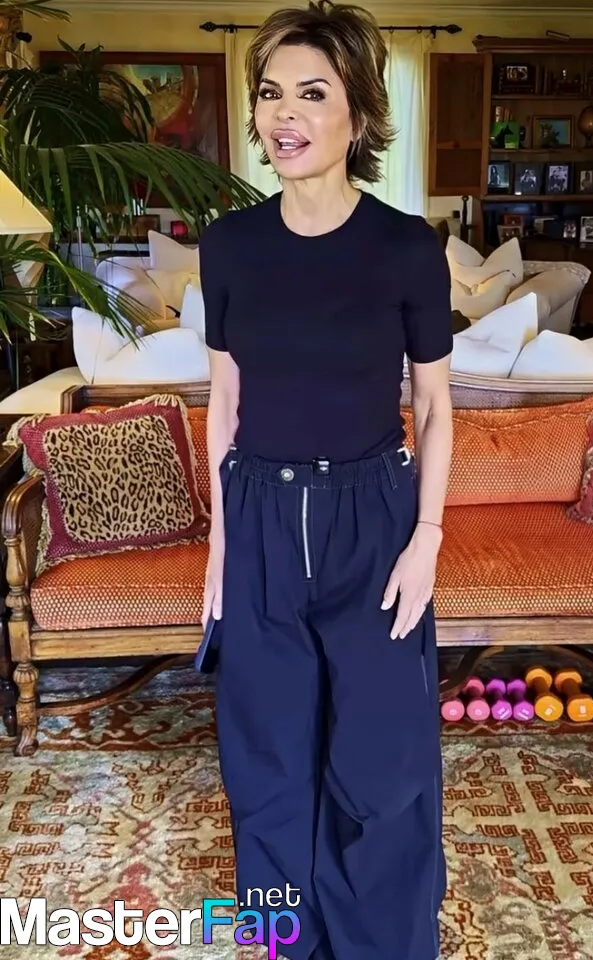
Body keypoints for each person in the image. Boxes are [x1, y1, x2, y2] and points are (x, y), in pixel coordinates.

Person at [199, 3, 453, 958]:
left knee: (382, 762)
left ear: (360, 114)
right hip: (260, 515)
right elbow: (224, 401)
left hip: (372, 522)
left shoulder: (407, 248)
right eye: (271, 93)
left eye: (313, 93)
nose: (285, 115)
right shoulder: (228, 246)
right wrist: (222, 546)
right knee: (265, 759)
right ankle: (283, 943)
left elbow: (435, 406)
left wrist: (427, 539)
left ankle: (380, 941)